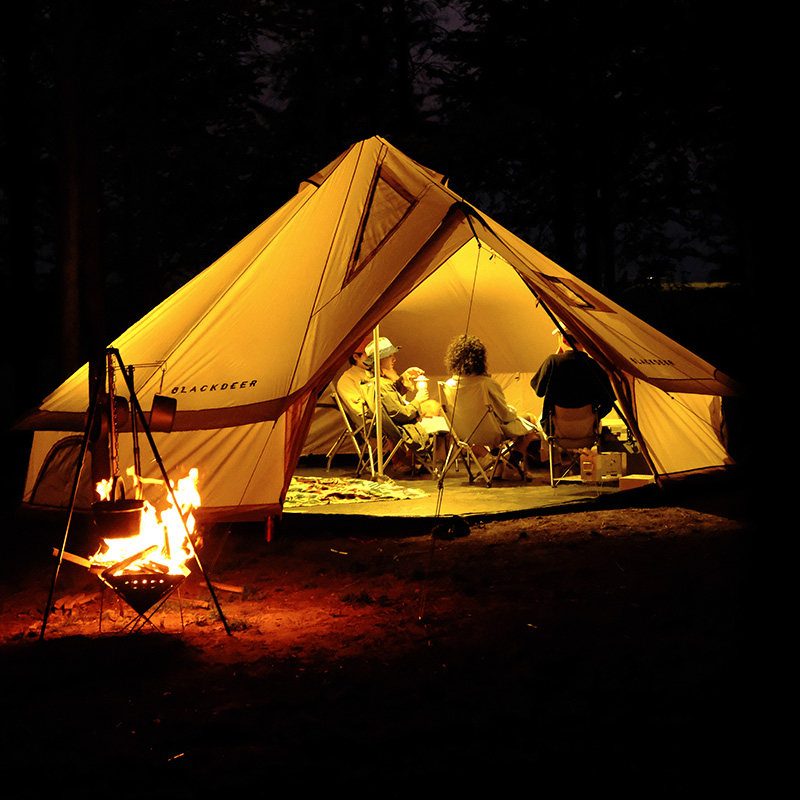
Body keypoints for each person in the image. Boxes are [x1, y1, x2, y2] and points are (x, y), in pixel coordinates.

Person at [443, 334, 540, 474]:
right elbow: (505, 415)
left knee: (494, 424)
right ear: (480, 359)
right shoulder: (486, 383)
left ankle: (497, 463)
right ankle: (511, 464)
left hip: (464, 434)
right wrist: (514, 411)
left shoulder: (448, 385)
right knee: (530, 421)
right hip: (491, 433)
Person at [362, 336, 447, 467]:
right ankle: (438, 464)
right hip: (401, 428)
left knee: (434, 409)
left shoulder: (377, 383)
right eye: (390, 356)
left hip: (398, 425)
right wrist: (417, 401)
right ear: (380, 360)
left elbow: (392, 395)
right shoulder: (381, 386)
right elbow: (402, 414)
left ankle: (425, 462)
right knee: (440, 417)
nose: (394, 359)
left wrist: (406, 375)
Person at [530, 329, 615, 434]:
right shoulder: (595, 366)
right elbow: (608, 403)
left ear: (564, 339)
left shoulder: (552, 362)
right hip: (587, 432)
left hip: (555, 432)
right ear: (584, 340)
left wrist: (554, 358)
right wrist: (593, 418)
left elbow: (539, 391)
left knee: (536, 424)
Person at [335, 336, 372, 420]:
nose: (374, 359)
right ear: (356, 357)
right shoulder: (347, 380)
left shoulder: (379, 372)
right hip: (375, 422)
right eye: (369, 356)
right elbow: (361, 411)